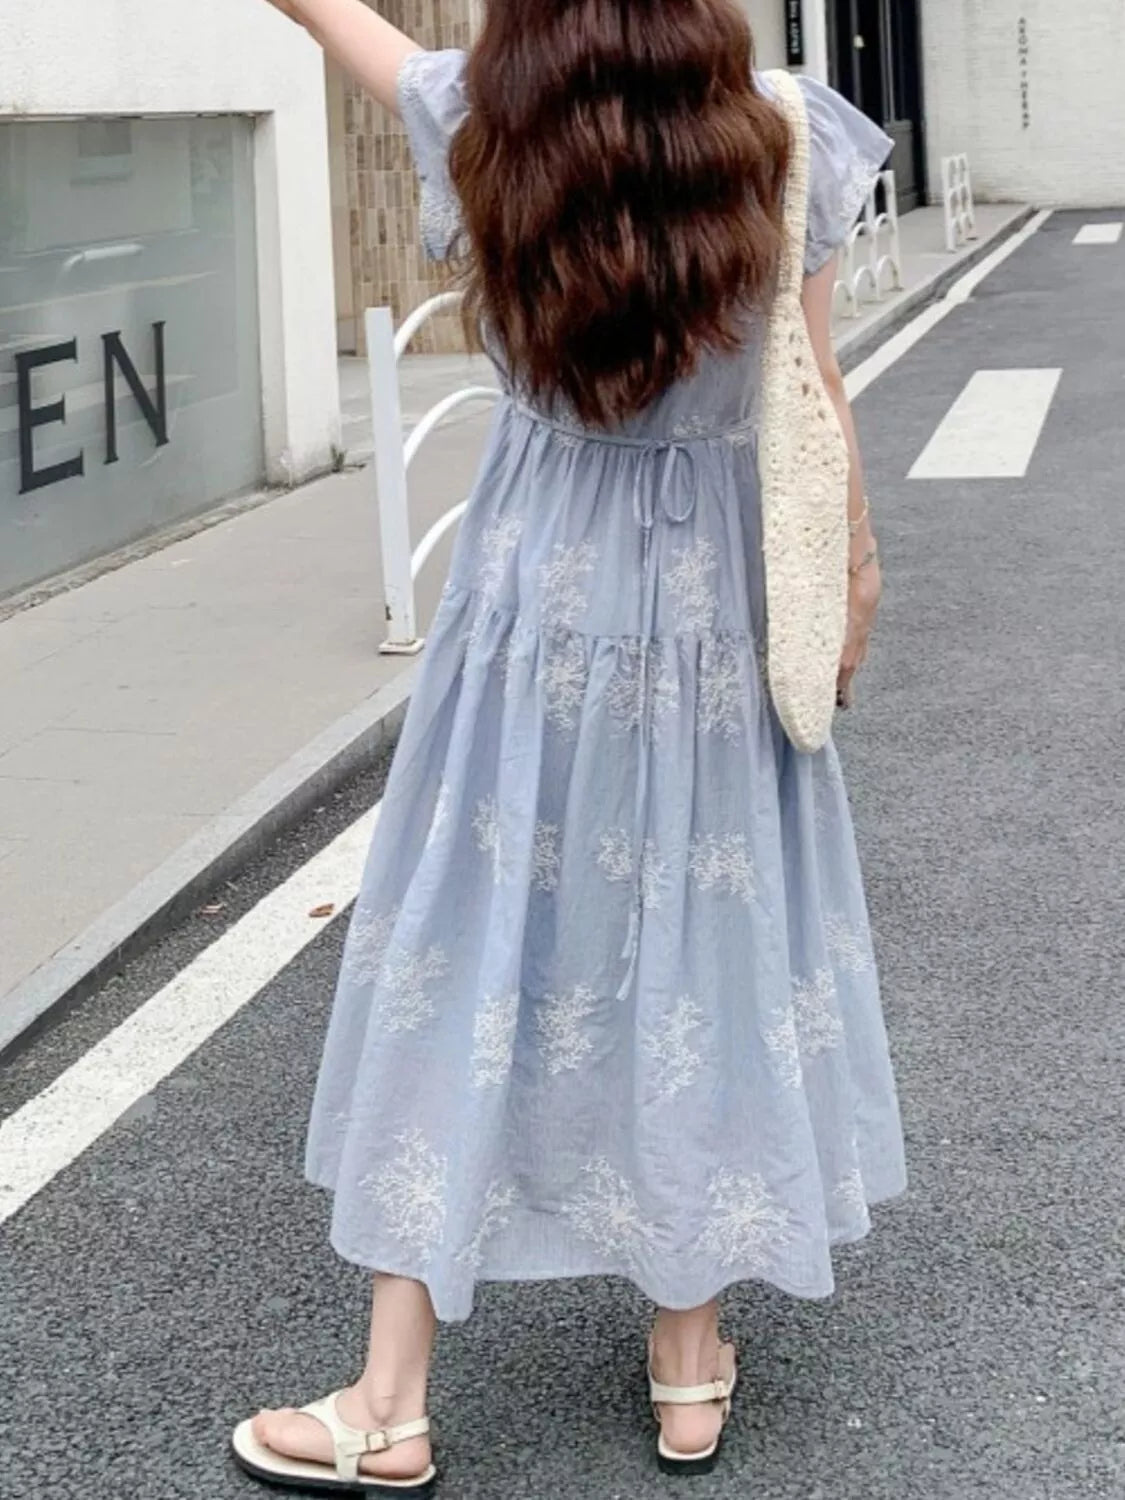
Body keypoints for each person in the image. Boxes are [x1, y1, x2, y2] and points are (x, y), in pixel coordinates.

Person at [233, 0, 906, 1491]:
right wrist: (852, 569)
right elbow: (809, 389)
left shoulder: (482, 112)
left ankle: (389, 1402)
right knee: (702, 938)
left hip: (534, 606)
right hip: (715, 610)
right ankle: (685, 1360)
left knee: (466, 939)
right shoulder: (784, 132)